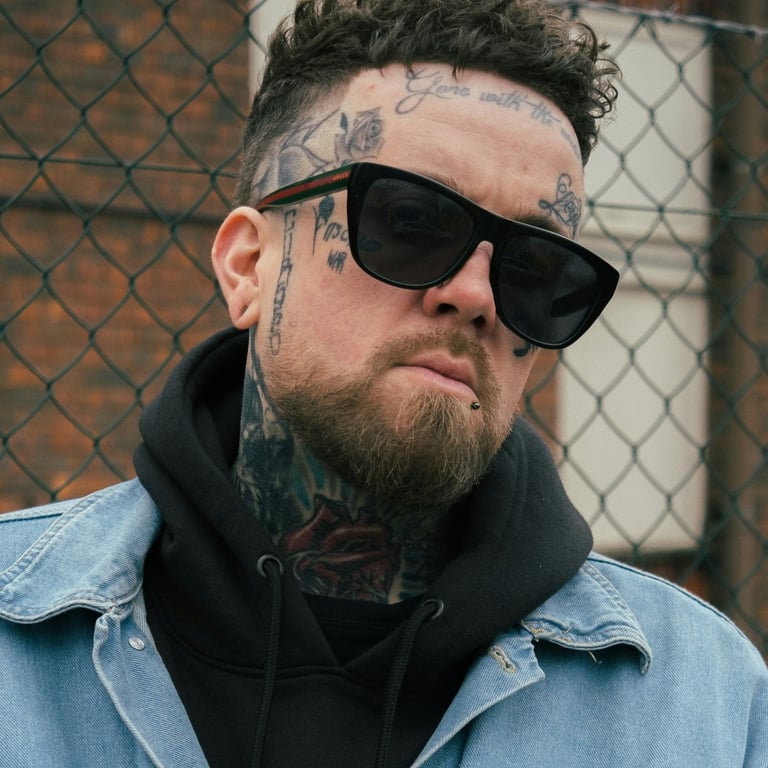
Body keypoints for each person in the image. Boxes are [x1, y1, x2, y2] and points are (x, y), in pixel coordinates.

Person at [1, 0, 766, 765]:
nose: (476, 296)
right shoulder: (17, 641)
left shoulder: (706, 705)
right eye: (411, 221)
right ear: (248, 266)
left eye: (536, 267)